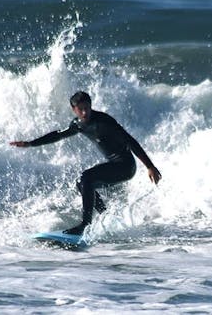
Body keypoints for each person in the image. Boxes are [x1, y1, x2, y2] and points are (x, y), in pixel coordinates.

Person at [10, 91, 162, 235]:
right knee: (80, 183)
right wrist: (30, 144)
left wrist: (149, 166)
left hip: (125, 166)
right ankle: (106, 216)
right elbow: (57, 135)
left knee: (87, 177)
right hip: (114, 165)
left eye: (87, 108)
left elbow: (130, 141)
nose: (84, 113)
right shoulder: (77, 124)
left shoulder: (104, 121)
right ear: (74, 109)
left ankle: (85, 225)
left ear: (91, 106)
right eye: (80, 109)